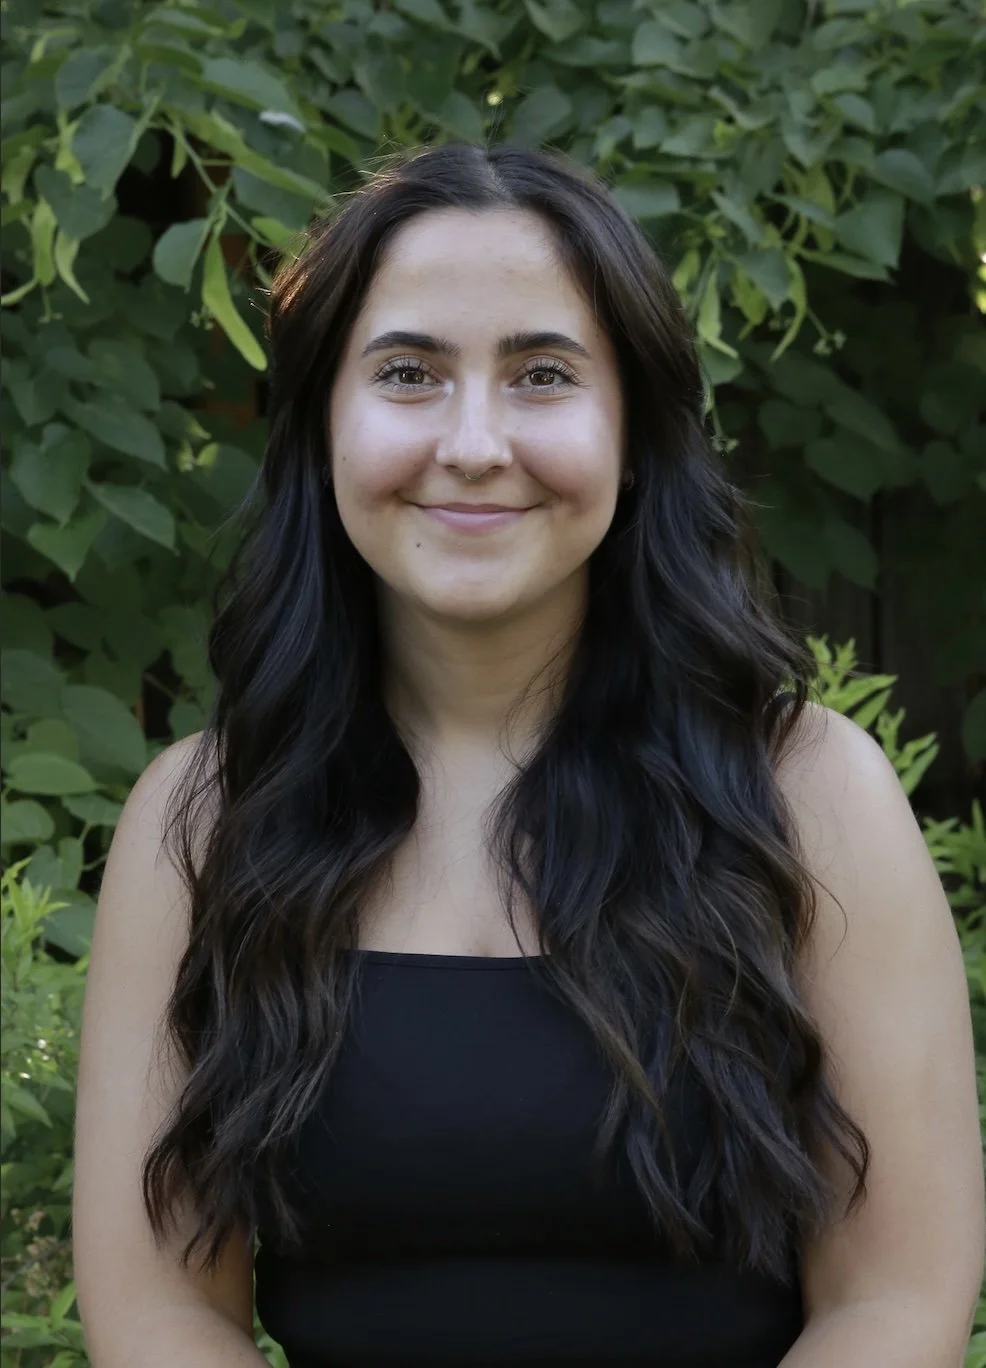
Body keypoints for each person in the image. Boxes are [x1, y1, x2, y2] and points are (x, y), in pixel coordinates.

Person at [72, 141, 982, 1368]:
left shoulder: (807, 796)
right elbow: (160, 1312)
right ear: (322, 422)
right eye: (407, 373)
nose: (473, 442)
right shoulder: (204, 816)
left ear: (634, 426)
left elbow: (895, 1301)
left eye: (542, 374)